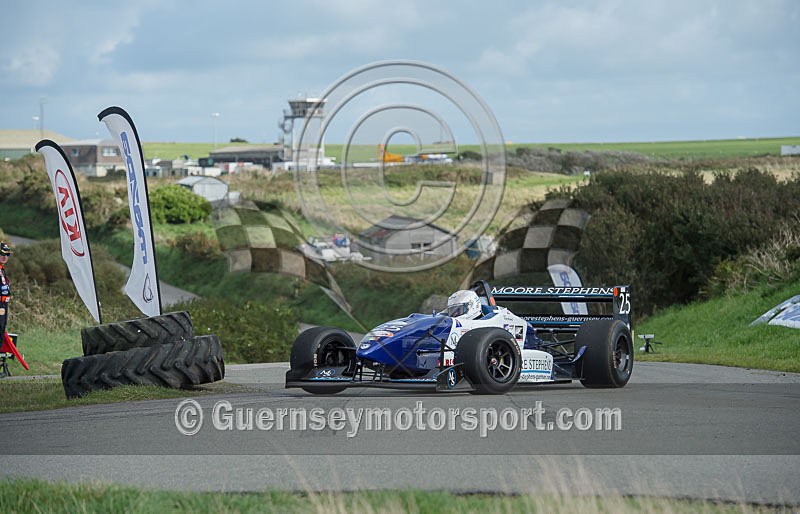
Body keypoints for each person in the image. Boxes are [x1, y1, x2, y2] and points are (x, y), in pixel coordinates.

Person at [0, 242, 11, 338]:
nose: (5, 257)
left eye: (7, 254)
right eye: (3, 253)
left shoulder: (2, 269)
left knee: (1, 330)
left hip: (3, 304)